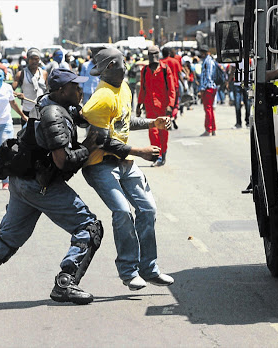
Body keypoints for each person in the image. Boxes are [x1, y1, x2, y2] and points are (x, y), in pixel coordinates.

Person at [0, 68, 105, 306]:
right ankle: (66, 282)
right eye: (75, 86)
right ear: (62, 90)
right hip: (39, 185)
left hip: (22, 183)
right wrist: (88, 147)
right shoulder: (53, 114)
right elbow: (62, 160)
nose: (80, 90)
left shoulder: (52, 103)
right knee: (89, 227)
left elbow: (81, 115)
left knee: (8, 239)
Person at [81, 47, 174, 291]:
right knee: (122, 212)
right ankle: (129, 271)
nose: (128, 65)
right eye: (124, 61)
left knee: (148, 209)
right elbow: (102, 141)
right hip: (100, 165)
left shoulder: (122, 87)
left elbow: (125, 120)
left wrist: (154, 122)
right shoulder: (100, 98)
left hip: (124, 163)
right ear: (111, 66)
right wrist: (139, 151)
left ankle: (149, 268)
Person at [136, 45, 175, 167]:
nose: (153, 57)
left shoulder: (165, 69)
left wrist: (170, 105)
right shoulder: (145, 70)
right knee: (153, 132)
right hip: (150, 106)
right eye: (151, 54)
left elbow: (171, 89)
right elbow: (142, 88)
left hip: (163, 106)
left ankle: (163, 154)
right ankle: (157, 156)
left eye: (155, 54)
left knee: (163, 132)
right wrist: (139, 104)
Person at [12, 48, 48, 127]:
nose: (34, 61)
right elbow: (10, 92)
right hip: (27, 112)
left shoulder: (44, 73)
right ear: (28, 60)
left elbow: (48, 91)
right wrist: (18, 94)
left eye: (36, 59)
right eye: (32, 59)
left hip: (41, 110)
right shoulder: (21, 74)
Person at [198, 45, 218, 136]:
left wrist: (202, 89)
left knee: (208, 109)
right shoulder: (209, 60)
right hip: (211, 87)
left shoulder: (208, 61)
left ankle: (208, 129)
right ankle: (213, 129)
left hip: (208, 88)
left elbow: (208, 77)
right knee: (210, 109)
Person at [160, 47, 183, 129]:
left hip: (163, 88)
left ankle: (168, 119)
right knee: (176, 104)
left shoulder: (160, 63)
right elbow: (180, 74)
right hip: (175, 86)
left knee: (166, 105)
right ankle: (173, 116)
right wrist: (184, 85)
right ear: (169, 53)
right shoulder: (175, 61)